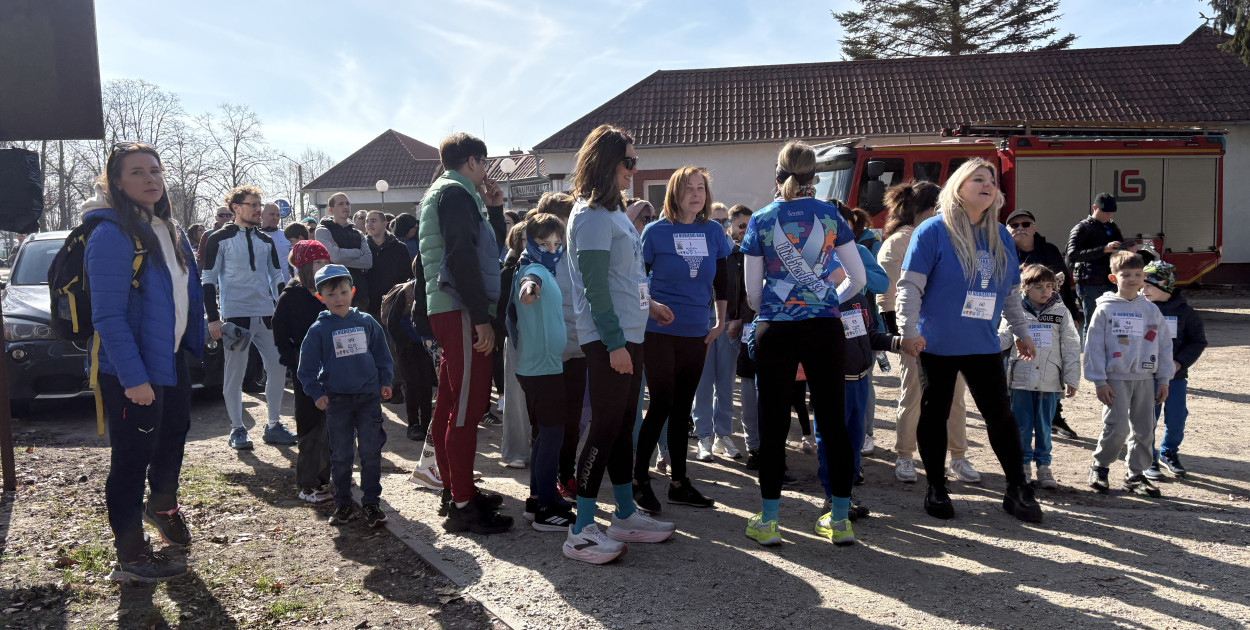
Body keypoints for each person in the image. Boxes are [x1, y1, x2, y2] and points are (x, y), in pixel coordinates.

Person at [896, 157, 1043, 523]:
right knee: (935, 414)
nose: (987, 184)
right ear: (958, 188)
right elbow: (910, 287)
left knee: (1001, 417)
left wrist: (1022, 332)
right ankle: (936, 487)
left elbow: (1010, 293)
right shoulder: (932, 230)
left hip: (983, 343)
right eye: (978, 179)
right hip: (937, 344)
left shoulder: (1000, 235)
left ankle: (1017, 488)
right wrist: (907, 331)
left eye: (991, 180)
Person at [84, 142, 203, 582]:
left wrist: (197, 333)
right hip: (130, 370)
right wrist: (134, 378)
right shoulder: (111, 234)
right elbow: (108, 316)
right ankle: (131, 557)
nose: (150, 178)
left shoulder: (166, 228)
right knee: (133, 458)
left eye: (154, 170)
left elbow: (182, 291)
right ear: (116, 181)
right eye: (137, 172)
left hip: (169, 358)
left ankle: (162, 506)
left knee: (174, 436)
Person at [740, 140, 866, 546]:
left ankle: (769, 520)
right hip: (825, 328)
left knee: (773, 424)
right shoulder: (832, 216)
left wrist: (784, 304)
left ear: (778, 175)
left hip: (775, 328)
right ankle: (840, 520)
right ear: (815, 176)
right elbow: (859, 281)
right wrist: (826, 299)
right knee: (832, 421)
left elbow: (752, 295)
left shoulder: (760, 220)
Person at [564, 124, 676, 563]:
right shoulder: (591, 215)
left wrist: (652, 306)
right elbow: (594, 287)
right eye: (629, 161)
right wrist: (614, 344)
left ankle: (626, 514)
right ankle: (580, 530)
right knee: (606, 428)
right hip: (611, 341)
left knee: (625, 423)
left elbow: (625, 278)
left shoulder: (613, 214)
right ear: (606, 162)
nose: (634, 169)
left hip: (631, 335)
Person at [418, 133, 512, 534]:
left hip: (449, 308)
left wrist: (494, 211)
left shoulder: (447, 192)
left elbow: (481, 250)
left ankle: (456, 488)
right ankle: (462, 505)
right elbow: (462, 258)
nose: (486, 172)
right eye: (484, 163)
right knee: (469, 409)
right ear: (473, 161)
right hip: (460, 309)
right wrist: (480, 317)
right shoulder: (455, 193)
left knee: (451, 403)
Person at [634, 166, 731, 512]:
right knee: (661, 403)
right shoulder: (655, 232)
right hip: (659, 331)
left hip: (697, 332)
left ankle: (679, 483)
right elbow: (637, 280)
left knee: (681, 410)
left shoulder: (714, 232)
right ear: (674, 193)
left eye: (701, 188)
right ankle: (639, 481)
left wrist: (721, 320)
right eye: (689, 188)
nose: (696, 194)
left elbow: (723, 278)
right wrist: (651, 307)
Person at [875, 180, 978, 485]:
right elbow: (887, 295)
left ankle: (958, 457)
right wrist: (903, 336)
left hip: (951, 331)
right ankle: (905, 456)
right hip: (915, 333)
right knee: (915, 395)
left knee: (956, 397)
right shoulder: (900, 241)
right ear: (932, 206)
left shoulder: (951, 236)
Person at [297, 265, 394, 527]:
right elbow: (305, 369)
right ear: (321, 298)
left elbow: (382, 355)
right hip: (337, 401)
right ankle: (342, 504)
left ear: (352, 292)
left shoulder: (366, 323)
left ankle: (372, 503)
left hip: (368, 399)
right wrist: (316, 393)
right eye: (331, 294)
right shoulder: (318, 330)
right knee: (340, 455)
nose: (338, 298)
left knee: (371, 452)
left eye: (343, 292)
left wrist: (385, 381)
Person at [201, 185, 297, 450]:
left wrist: (284, 308)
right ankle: (237, 429)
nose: (259, 209)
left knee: (278, 369)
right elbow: (208, 279)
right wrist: (213, 318)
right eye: (253, 204)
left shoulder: (265, 240)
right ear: (236, 208)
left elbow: (277, 277)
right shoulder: (218, 239)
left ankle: (274, 425)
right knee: (235, 374)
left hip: (267, 314)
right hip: (235, 317)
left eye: (259, 204)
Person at [1084, 251, 1175, 497]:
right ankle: (1100, 467)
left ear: (1144, 277)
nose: (1133, 279)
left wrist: (1164, 378)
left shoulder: (1151, 310)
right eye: (1126, 275)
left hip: (1145, 379)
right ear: (1114, 278)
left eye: (1138, 274)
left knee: (1145, 429)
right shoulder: (1105, 310)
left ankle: (1135, 475)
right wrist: (1099, 381)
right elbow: (1093, 345)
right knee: (1117, 427)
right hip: (1115, 378)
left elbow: (1164, 345)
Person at [510, 212, 577, 531]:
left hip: (543, 367)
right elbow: (528, 286)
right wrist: (528, 292)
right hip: (542, 370)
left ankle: (539, 498)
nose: (552, 249)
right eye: (543, 243)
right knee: (552, 436)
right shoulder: (534, 269)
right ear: (530, 243)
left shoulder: (542, 267)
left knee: (545, 436)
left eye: (556, 243)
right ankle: (545, 510)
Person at [998, 264, 1080, 490]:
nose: (1045, 291)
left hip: (1050, 380)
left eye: (1049, 286)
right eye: (1038, 287)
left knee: (1044, 426)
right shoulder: (1014, 312)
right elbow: (1004, 338)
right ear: (1024, 288)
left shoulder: (1061, 312)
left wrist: (1072, 378)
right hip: (1021, 379)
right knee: (1022, 425)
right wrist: (986, 338)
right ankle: (1023, 465)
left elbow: (1071, 346)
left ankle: (1044, 466)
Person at [1007, 209, 1080, 439]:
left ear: (1034, 227)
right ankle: (1019, 420)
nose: (1021, 228)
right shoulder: (1005, 252)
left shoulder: (1048, 251)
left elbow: (1064, 284)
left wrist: (1074, 314)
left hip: (1050, 319)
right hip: (1018, 317)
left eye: (1026, 224)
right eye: (1015, 225)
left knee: (1051, 364)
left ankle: (1054, 418)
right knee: (1018, 367)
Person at [273, 240, 331, 503]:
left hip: (332, 368)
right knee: (310, 425)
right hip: (306, 370)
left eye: (325, 262)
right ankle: (307, 484)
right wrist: (292, 360)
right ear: (304, 266)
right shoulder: (291, 297)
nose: (323, 267)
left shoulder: (328, 293)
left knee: (330, 425)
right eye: (318, 262)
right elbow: (280, 332)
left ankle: (326, 478)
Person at [1140, 261, 1206, 480]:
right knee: (1148, 418)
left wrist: (1179, 362)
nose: (1144, 289)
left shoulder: (1186, 313)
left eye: (1149, 284)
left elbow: (1197, 342)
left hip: (1175, 377)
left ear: (1165, 285)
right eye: (1142, 284)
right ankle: (1148, 456)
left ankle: (1169, 453)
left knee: (1177, 418)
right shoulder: (1139, 309)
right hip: (1146, 377)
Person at [691, 202, 745, 462]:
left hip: (730, 324)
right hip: (701, 322)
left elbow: (745, 290)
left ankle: (723, 434)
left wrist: (741, 319)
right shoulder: (695, 250)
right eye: (717, 220)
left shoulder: (737, 253)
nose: (723, 226)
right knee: (703, 381)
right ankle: (703, 436)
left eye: (726, 221)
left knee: (725, 382)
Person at [1067, 193, 1139, 339]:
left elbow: (1120, 247)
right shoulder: (1082, 228)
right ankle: (1090, 357)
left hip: (1112, 281)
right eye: (1105, 211)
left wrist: (1127, 249)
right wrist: (1103, 249)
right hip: (1090, 282)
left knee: (1115, 321)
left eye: (1111, 212)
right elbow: (1072, 254)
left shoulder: (1112, 227)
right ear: (1095, 208)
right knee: (1093, 322)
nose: (1109, 214)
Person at [316, 193, 373, 310]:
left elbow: (368, 262)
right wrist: (357, 252)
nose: (346, 206)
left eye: (347, 203)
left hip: (359, 292)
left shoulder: (358, 233)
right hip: (334, 291)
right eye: (341, 204)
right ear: (331, 209)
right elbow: (335, 256)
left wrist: (341, 254)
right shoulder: (323, 230)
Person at [364, 210, 414, 324]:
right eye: (367, 221)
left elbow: (408, 276)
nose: (369, 224)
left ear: (384, 224)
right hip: (368, 307)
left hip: (394, 306)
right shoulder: (361, 248)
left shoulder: (399, 248)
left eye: (373, 221)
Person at [261, 202, 293, 283]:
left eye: (278, 215)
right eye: (272, 214)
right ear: (262, 215)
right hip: (262, 286)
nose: (275, 217)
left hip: (284, 285)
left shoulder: (286, 235)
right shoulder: (254, 236)